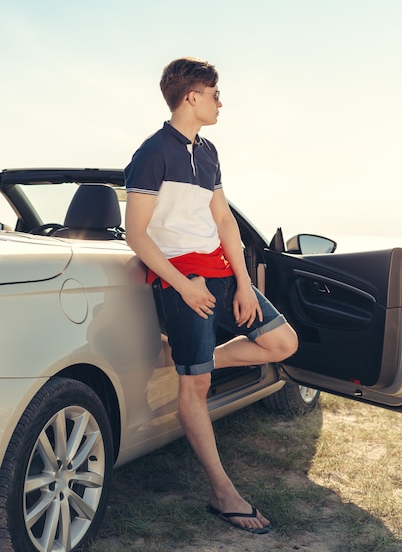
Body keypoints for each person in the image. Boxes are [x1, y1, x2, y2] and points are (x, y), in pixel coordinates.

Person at [124, 57, 298, 534]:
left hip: (222, 274)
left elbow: (223, 221)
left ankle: (195, 360)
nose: (221, 101)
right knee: (194, 387)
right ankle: (223, 493)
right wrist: (183, 285)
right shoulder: (152, 153)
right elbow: (135, 233)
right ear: (191, 97)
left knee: (283, 343)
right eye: (215, 93)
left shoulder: (210, 150)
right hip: (184, 281)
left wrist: (243, 283)